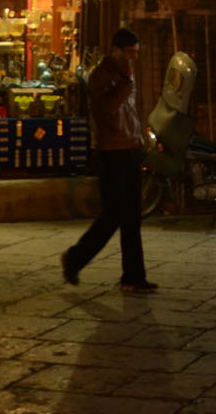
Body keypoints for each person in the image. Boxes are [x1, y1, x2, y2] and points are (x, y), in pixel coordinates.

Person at [63, 28, 155, 293]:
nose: (133, 58)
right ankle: (75, 258)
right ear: (116, 51)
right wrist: (126, 82)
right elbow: (109, 108)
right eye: (130, 53)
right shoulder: (100, 76)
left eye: (136, 54)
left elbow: (131, 112)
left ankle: (133, 276)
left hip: (131, 148)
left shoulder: (129, 75)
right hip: (110, 151)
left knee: (132, 218)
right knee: (113, 215)